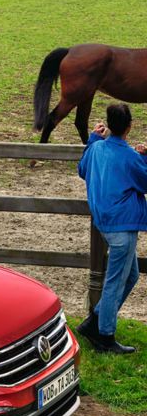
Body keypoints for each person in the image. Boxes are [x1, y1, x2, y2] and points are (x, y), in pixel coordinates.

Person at [77, 102, 147, 353]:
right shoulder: (129, 156)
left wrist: (94, 137)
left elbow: (82, 170)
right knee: (115, 282)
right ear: (129, 127)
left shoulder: (96, 149)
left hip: (104, 221)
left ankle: (94, 322)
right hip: (123, 225)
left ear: (108, 123)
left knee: (131, 276)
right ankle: (104, 336)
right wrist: (145, 156)